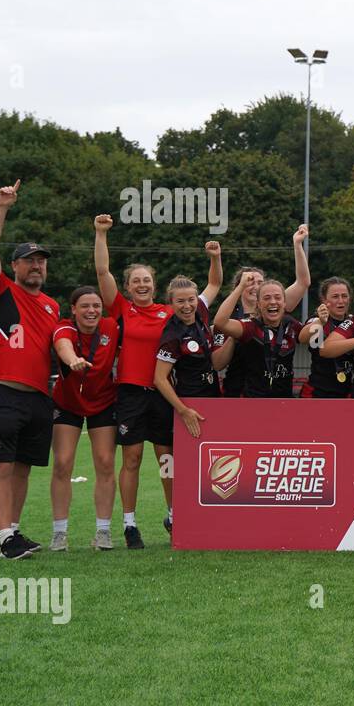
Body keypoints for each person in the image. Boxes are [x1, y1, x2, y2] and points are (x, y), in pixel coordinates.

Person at [95, 213, 221, 548]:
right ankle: (130, 524)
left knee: (168, 459)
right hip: (132, 392)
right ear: (128, 287)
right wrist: (101, 234)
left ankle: (173, 516)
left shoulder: (172, 310)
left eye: (146, 280)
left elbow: (211, 288)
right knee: (132, 458)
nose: (141, 285)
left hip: (165, 394)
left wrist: (214, 258)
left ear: (154, 284)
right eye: (135, 280)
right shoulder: (122, 308)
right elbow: (102, 272)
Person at [0, 180, 59, 559]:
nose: (36, 265)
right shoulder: (0, 288)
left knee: (25, 468)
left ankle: (13, 533)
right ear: (15, 266)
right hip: (3, 390)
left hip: (38, 396)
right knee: (2, 466)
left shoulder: (52, 306)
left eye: (41, 260)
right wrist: (2, 207)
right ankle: (4, 535)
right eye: (29, 260)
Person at [50, 286, 119, 551]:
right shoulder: (64, 327)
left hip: (103, 402)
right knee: (63, 463)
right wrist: (72, 360)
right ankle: (59, 533)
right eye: (86, 306)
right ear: (74, 310)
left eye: (96, 306)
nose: (91, 311)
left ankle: (103, 531)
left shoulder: (112, 327)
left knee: (104, 462)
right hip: (67, 403)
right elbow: (62, 345)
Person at [213, 224, 310, 397]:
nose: (256, 287)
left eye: (260, 283)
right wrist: (234, 338)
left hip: (277, 393)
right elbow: (217, 364)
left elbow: (303, 282)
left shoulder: (274, 306)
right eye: (249, 282)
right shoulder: (232, 317)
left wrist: (297, 245)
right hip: (238, 392)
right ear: (238, 287)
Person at [212, 273, 305, 398]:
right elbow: (220, 322)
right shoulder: (249, 326)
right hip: (251, 402)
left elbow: (303, 282)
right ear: (259, 304)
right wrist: (240, 288)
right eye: (266, 298)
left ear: (284, 303)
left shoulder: (291, 324)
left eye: (277, 298)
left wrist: (320, 321)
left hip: (284, 402)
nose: (273, 302)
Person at [154, 277, 221, 442]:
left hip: (214, 396)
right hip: (191, 402)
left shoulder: (200, 312)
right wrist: (183, 410)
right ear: (171, 303)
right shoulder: (172, 336)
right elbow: (159, 379)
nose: (187, 306)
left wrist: (215, 256)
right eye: (180, 301)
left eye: (191, 300)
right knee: (193, 459)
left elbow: (215, 283)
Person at [298, 277, 354, 398]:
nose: (341, 301)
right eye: (335, 296)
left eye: (344, 296)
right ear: (324, 300)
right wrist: (320, 322)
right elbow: (302, 338)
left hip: (346, 393)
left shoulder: (353, 322)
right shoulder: (317, 320)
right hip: (318, 393)